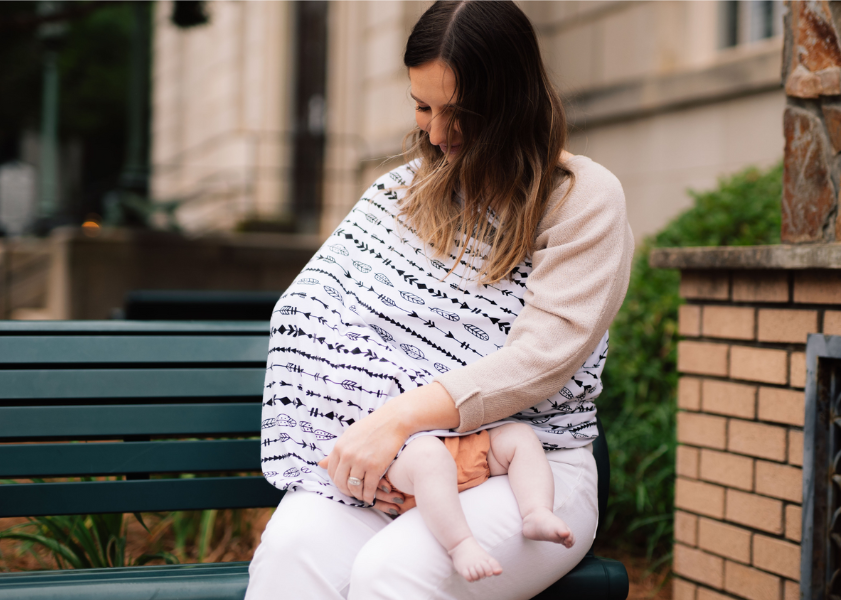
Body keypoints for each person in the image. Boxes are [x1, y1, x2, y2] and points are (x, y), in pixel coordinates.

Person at [248, 1, 634, 599]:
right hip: (402, 467)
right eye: (422, 107)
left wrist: (395, 419)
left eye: (459, 113)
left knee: (392, 574)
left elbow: (543, 357)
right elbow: (312, 317)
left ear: (513, 102)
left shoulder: (583, 199)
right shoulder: (399, 194)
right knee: (292, 549)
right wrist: (362, 445)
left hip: (530, 465)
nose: (435, 133)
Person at [384, 422, 575, 583]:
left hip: (468, 445)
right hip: (409, 459)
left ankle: (537, 511)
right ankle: (460, 544)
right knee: (428, 454)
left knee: (520, 434)